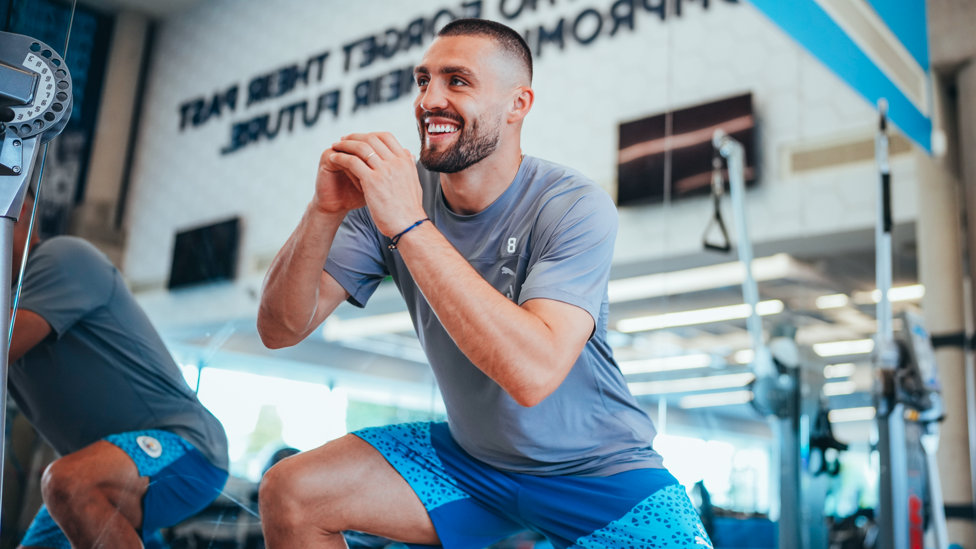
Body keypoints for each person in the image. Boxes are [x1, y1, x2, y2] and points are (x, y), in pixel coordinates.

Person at [257, 18, 712, 549]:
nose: (430, 98)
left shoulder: (571, 204)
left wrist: (408, 224)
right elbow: (280, 329)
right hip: (471, 463)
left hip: (597, 472)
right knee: (292, 492)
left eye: (458, 81)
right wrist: (323, 211)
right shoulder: (391, 198)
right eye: (423, 80)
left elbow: (532, 375)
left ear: (518, 104)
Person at [8, 190, 230, 549]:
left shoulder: (60, 257)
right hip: (110, 471)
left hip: (188, 447)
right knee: (63, 496)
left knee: (68, 483)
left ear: (19, 214)